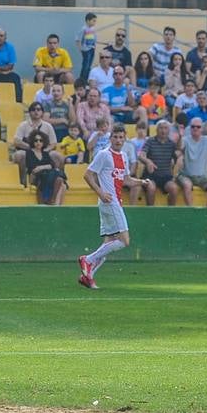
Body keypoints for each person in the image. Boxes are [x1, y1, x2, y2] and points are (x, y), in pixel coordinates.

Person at [78, 124, 150, 289]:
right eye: (115, 137)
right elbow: (88, 175)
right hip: (110, 201)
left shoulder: (123, 156)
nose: (118, 140)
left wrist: (141, 182)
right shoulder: (104, 155)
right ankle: (87, 260)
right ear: (110, 139)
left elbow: (126, 180)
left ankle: (88, 276)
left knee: (109, 242)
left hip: (114, 201)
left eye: (121, 137)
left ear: (125, 139)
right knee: (124, 240)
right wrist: (100, 192)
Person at [74, 12, 98, 84]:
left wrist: (94, 46)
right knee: (85, 65)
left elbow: (94, 38)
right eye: (93, 21)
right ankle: (82, 80)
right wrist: (80, 48)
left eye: (95, 21)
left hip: (92, 48)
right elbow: (78, 39)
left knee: (89, 65)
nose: (94, 22)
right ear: (88, 20)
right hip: (86, 50)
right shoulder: (83, 29)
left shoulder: (93, 29)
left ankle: (86, 79)